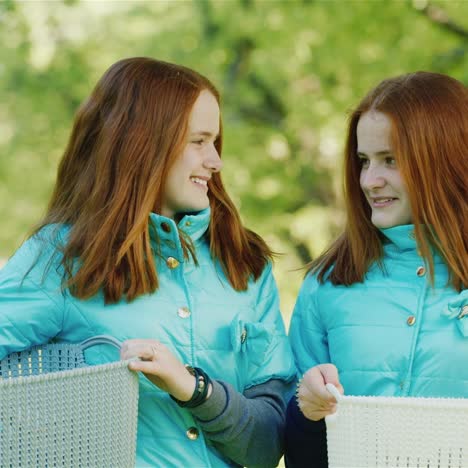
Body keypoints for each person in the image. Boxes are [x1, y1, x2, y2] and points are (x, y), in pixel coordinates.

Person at [0, 57, 297, 467]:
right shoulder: (61, 257)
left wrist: (196, 389)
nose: (215, 160)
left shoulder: (244, 265)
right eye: (198, 141)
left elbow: (268, 448)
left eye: (216, 142)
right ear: (143, 143)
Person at [284, 71, 468, 467]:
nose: (370, 180)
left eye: (390, 161)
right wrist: (308, 410)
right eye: (364, 161)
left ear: (446, 157)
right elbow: (301, 455)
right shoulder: (328, 282)